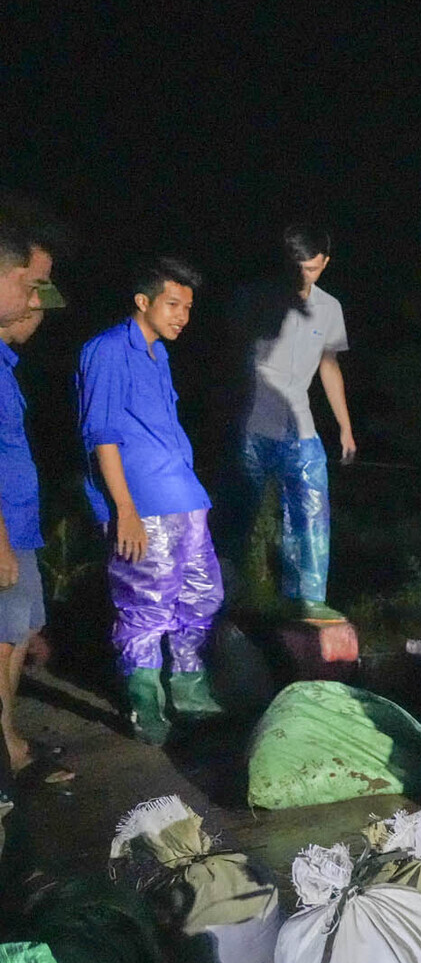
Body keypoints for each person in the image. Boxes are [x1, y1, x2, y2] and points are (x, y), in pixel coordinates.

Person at [76, 258, 225, 744]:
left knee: (202, 595)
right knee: (147, 604)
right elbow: (102, 436)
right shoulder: (106, 351)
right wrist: (124, 510)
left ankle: (189, 688)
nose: (182, 315)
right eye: (173, 304)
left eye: (187, 307)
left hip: (182, 495)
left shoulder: (158, 355)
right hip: (143, 503)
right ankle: (145, 705)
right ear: (143, 302)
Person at [223, 223, 357, 623]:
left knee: (311, 508)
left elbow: (329, 364)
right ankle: (221, 592)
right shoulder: (254, 298)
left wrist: (345, 426)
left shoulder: (329, 308)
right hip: (252, 422)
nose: (305, 276)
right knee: (238, 513)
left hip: (300, 424)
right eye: (299, 267)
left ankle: (308, 597)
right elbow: (230, 358)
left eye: (313, 269)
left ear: (325, 264)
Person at [0, 199, 65, 775]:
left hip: (18, 526)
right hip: (3, 533)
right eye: (31, 286)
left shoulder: (5, 365)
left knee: (15, 638)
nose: (35, 302)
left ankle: (10, 743)